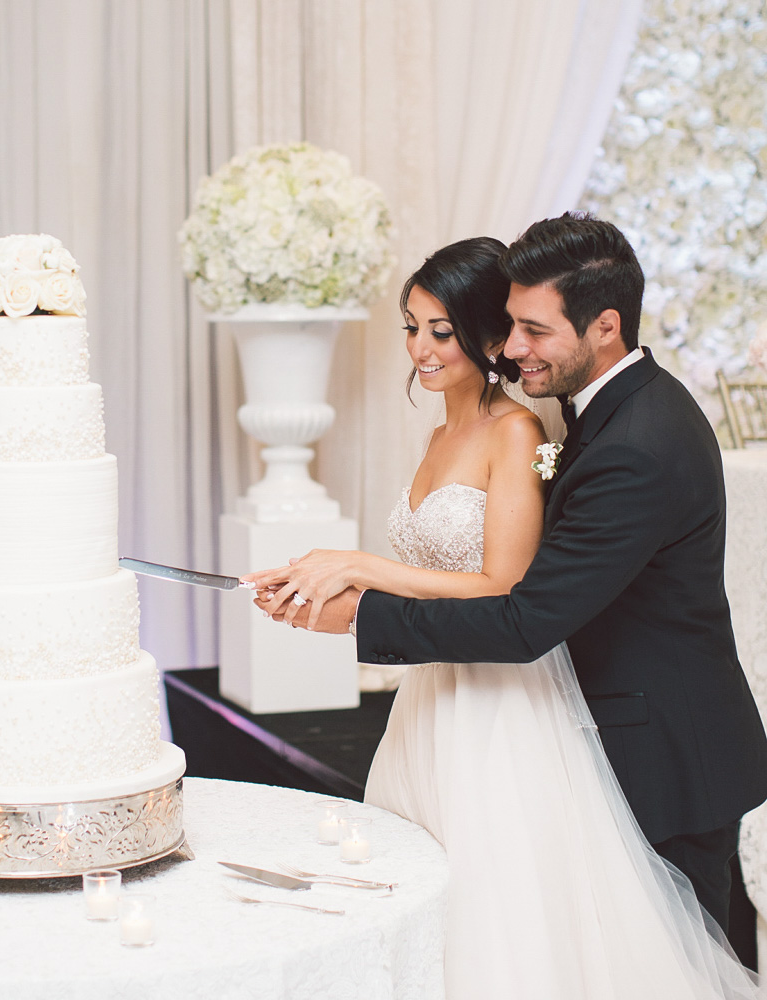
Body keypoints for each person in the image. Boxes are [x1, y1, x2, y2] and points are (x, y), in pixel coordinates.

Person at [244, 218, 766, 997]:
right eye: (511, 325)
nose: (513, 348)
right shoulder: (601, 411)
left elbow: (523, 616)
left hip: (659, 752)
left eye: (532, 329)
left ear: (605, 326)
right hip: (577, 719)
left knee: (665, 960)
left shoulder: (634, 443)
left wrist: (359, 607)